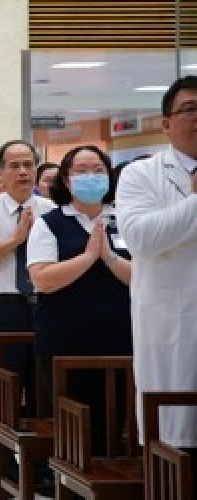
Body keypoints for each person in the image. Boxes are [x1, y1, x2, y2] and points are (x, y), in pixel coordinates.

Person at [27, 145, 131, 452]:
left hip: (121, 339)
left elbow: (145, 277)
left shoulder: (125, 220)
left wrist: (109, 258)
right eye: (81, 171)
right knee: (76, 427)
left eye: (98, 170)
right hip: (64, 341)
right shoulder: (50, 223)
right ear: (66, 180)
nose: (91, 177)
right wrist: (87, 258)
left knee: (113, 424)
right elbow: (42, 280)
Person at [116, 75, 197, 457]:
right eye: (189, 109)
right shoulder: (139, 175)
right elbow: (142, 238)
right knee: (175, 446)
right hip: (173, 327)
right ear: (165, 123)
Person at [0, 140, 55, 405]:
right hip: (4, 306)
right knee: (3, 385)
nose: (23, 171)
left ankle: (43, 444)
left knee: (44, 385)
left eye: (28, 165)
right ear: (0, 173)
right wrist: (15, 240)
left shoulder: (50, 210)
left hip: (46, 305)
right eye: (14, 166)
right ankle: (0, 445)